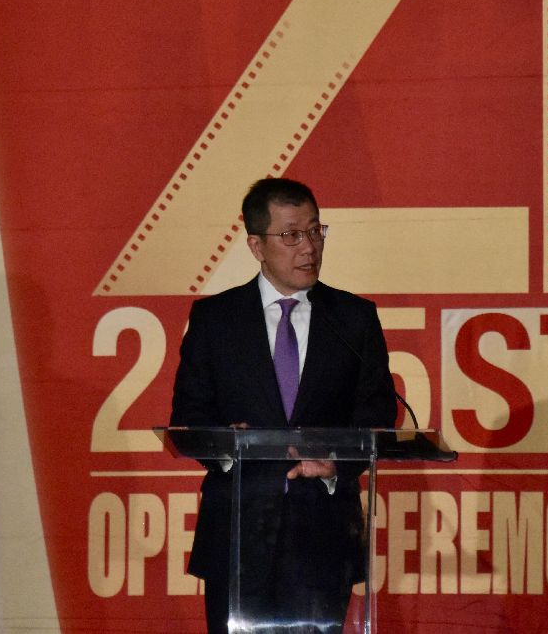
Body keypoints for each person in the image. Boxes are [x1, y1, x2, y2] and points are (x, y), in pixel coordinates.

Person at [170, 177, 398, 634]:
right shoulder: (215, 319)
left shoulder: (353, 319)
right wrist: (226, 445)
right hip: (238, 531)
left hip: (323, 532)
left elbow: (376, 414)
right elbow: (189, 417)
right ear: (256, 245)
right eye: (291, 235)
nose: (309, 247)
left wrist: (335, 464)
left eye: (315, 231)